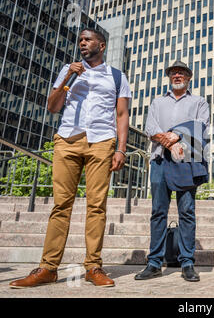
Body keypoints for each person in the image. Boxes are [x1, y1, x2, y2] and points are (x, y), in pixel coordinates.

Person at [10, 29, 131, 288]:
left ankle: (93, 267)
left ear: (102, 44)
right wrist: (68, 76)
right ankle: (48, 268)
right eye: (80, 41)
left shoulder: (117, 76)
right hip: (67, 140)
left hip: (101, 141)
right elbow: (53, 106)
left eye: (88, 40)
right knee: (61, 206)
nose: (83, 43)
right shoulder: (69, 70)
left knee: (96, 206)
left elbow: (121, 114)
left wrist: (120, 149)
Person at [135, 60, 210, 282]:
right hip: (160, 161)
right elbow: (151, 129)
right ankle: (154, 262)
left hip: (187, 162)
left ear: (188, 78)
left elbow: (201, 125)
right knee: (158, 211)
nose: (177, 75)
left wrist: (176, 134)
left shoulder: (199, 101)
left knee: (186, 212)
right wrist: (169, 142)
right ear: (170, 77)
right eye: (173, 73)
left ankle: (187, 262)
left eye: (181, 73)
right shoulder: (157, 102)